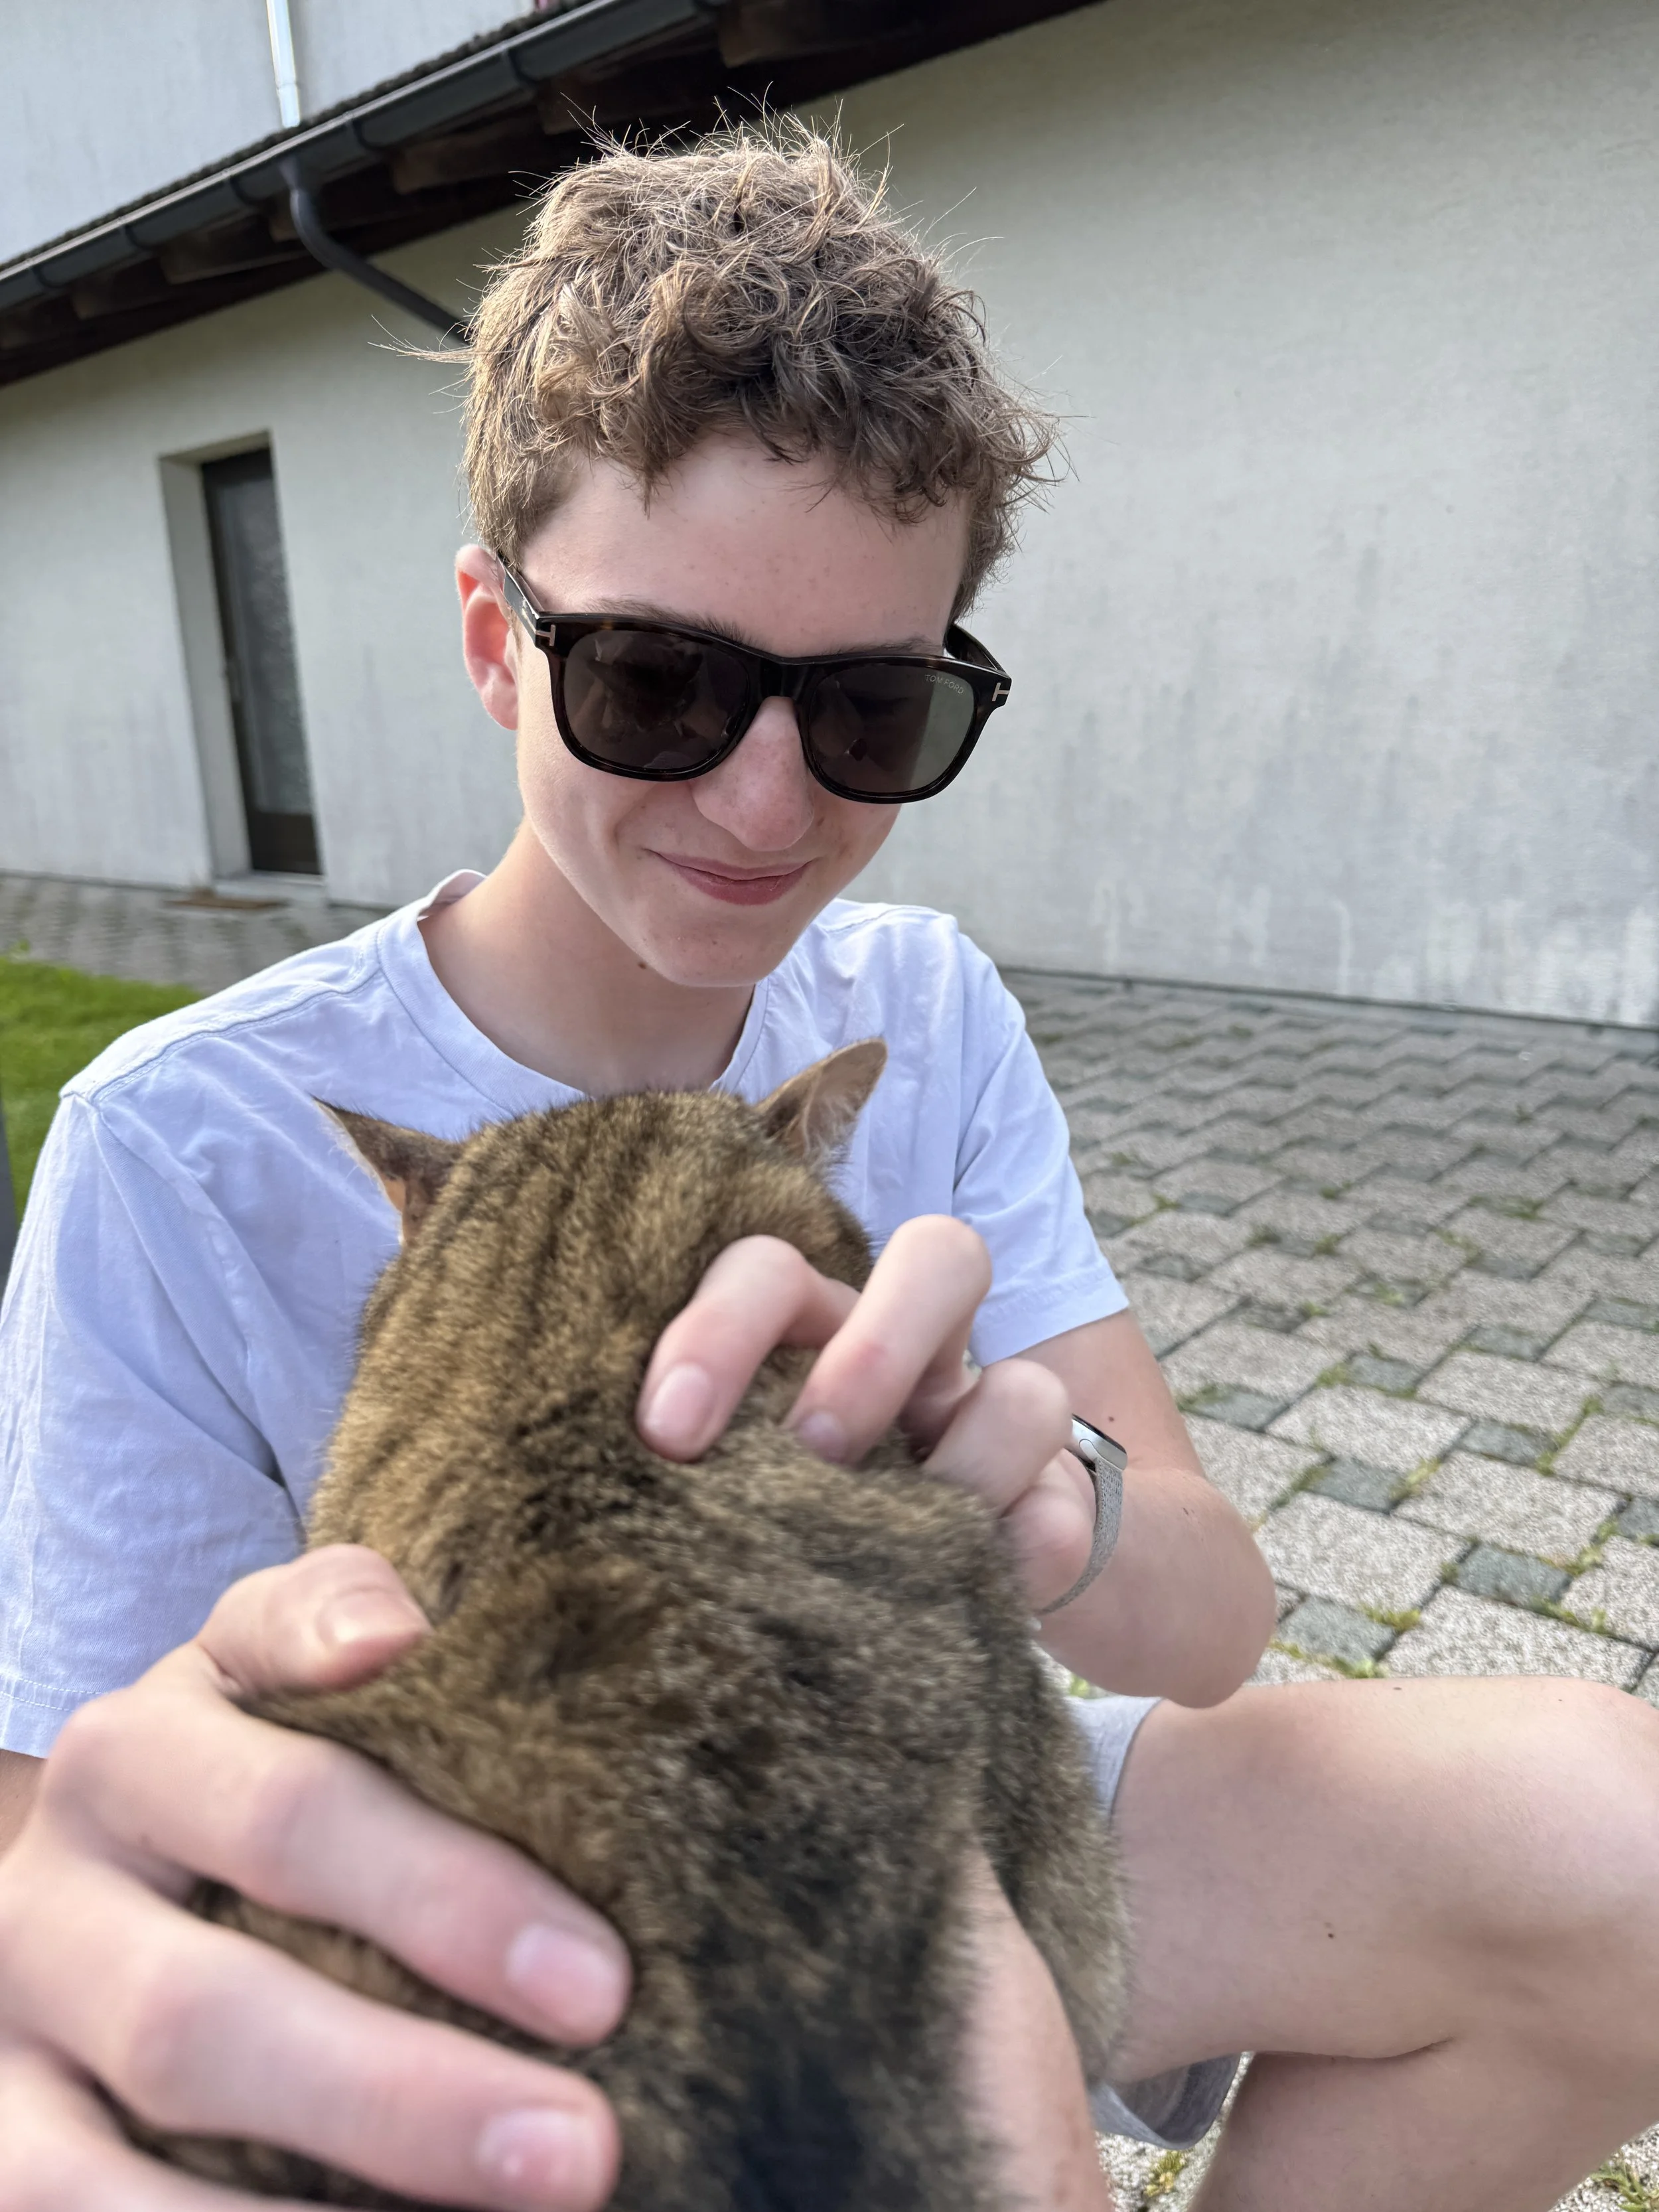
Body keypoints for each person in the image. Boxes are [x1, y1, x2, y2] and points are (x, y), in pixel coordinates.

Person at [1, 121, 1656, 2212]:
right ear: (499, 641)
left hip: (937, 1782)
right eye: (657, 681)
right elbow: (77, 1858)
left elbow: (1213, 1618)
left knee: (1611, 1848)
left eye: (870, 709)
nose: (766, 803)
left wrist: (1040, 1496)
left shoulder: (918, 1002)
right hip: (497, 1908)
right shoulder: (186, 1139)